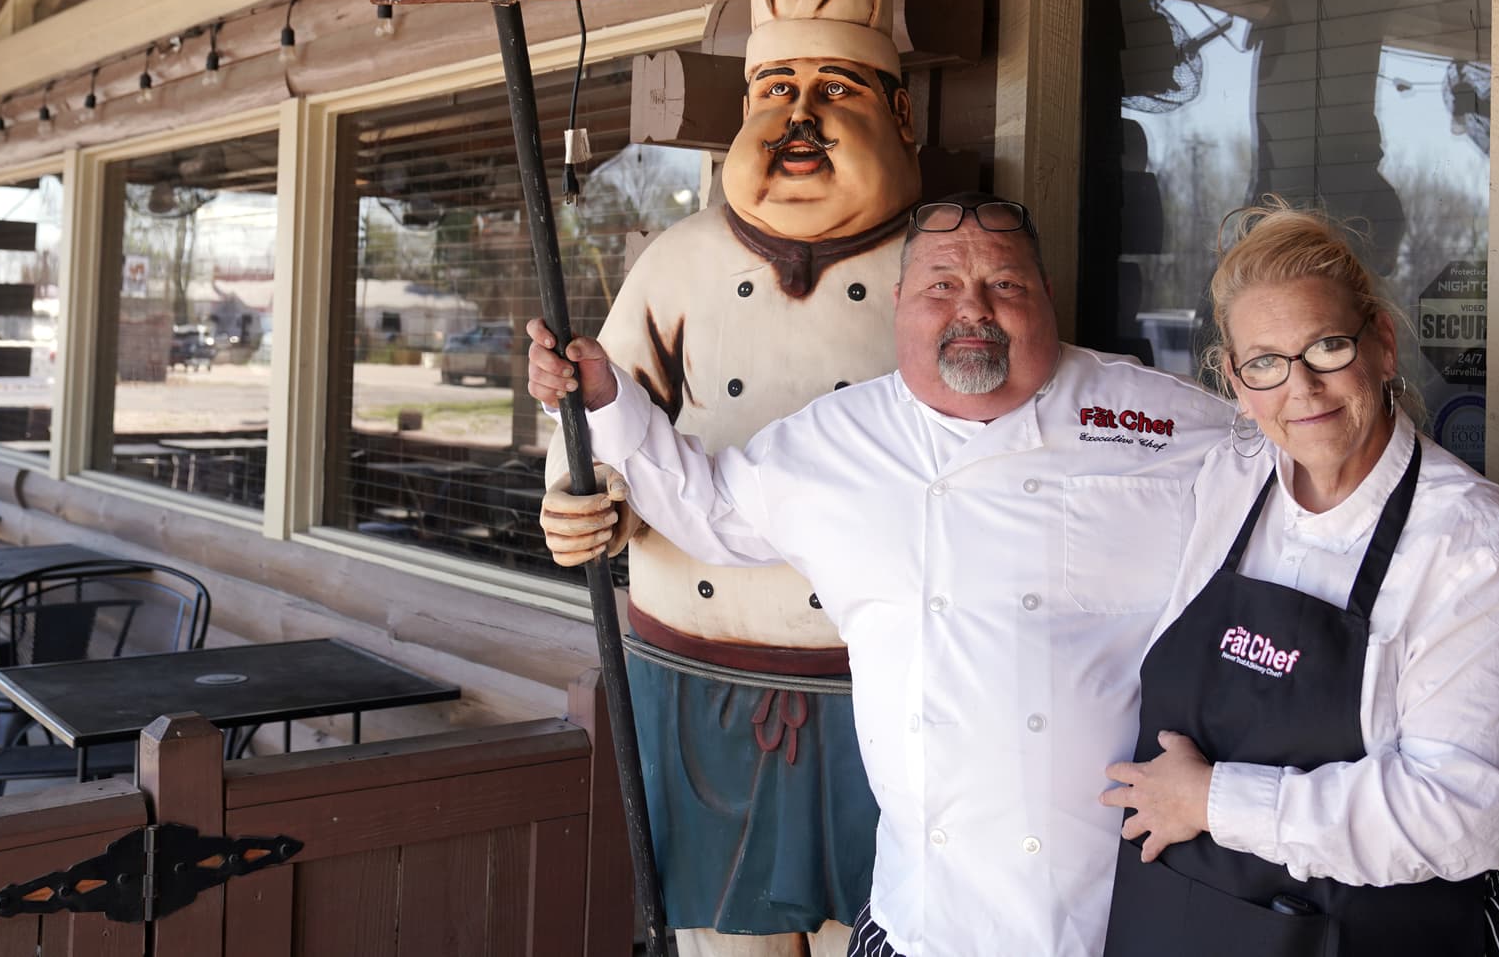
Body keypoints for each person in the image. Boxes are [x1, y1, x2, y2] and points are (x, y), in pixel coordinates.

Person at [529, 194, 1234, 957]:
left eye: (1005, 285)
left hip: (1114, 922)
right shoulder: (838, 439)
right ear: (900, 303)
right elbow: (711, 508)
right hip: (918, 921)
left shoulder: (1159, 420)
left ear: (1046, 298)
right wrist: (603, 393)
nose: (974, 310)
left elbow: (1298, 485)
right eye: (941, 287)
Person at [540, 0, 921, 956]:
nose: (798, 119)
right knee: (721, 942)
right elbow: (592, 430)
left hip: (881, 678)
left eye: (837, 92)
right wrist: (573, 509)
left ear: (900, 115)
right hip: (688, 667)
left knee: (884, 927)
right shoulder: (675, 263)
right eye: (776, 92)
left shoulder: (945, 272)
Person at [1099, 203, 1499, 956]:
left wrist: (1214, 799)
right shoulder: (1226, 479)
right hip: (1182, 922)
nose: (1301, 388)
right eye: (1266, 363)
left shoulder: (1472, 545)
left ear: (1381, 343)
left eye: (1327, 347)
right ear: (1235, 379)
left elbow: (1476, 811)